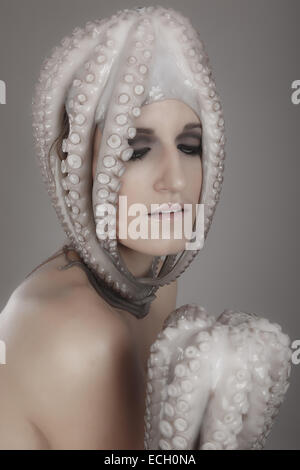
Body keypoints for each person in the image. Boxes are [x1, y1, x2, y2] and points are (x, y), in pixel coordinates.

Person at [0, 6, 292, 450]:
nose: (174, 180)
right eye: (136, 150)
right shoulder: (75, 334)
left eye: (189, 146)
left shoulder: (152, 284)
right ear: (78, 169)